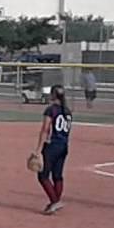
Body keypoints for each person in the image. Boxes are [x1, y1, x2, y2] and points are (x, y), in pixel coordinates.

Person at [30, 84, 72, 215]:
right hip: (64, 146)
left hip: (52, 146)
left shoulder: (51, 110)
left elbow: (45, 129)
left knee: (43, 176)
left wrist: (38, 150)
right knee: (57, 175)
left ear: (53, 95)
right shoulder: (67, 111)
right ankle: (54, 202)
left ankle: (55, 201)